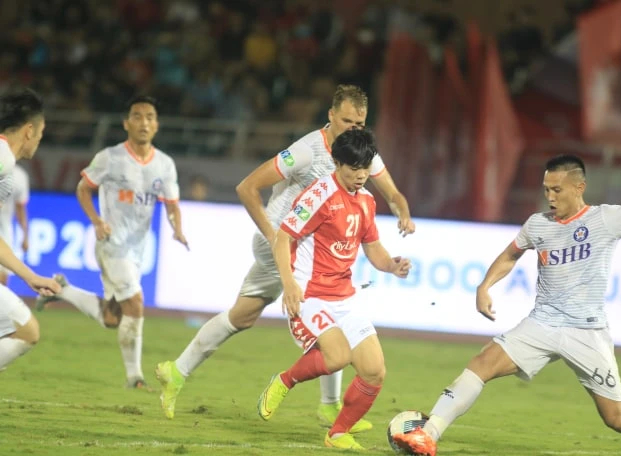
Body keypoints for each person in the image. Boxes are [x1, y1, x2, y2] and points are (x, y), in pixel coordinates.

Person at [155, 84, 415, 429]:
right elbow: (247, 187)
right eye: (347, 121)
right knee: (327, 307)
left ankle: (177, 371)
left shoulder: (356, 151)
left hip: (310, 243)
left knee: (243, 315)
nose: (353, 129)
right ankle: (324, 403)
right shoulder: (306, 151)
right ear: (331, 115)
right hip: (284, 242)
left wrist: (402, 212)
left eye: (359, 123)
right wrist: (272, 235)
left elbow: (392, 193)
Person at [393, 154, 621, 456]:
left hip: (587, 331)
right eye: (546, 189)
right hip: (542, 323)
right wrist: (484, 286)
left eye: (557, 190)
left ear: (579, 187)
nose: (550, 197)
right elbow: (510, 255)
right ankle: (428, 435)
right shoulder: (538, 224)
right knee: (482, 363)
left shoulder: (606, 219)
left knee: (615, 419)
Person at [257, 128, 411, 449]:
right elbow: (284, 238)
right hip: (309, 294)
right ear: (337, 163)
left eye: (365, 168)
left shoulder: (366, 201)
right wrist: (289, 284)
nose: (361, 175)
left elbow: (372, 247)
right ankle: (284, 381)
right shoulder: (319, 195)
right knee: (337, 356)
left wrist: (391, 265)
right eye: (353, 168)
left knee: (374, 371)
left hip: (344, 297)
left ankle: (337, 433)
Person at [36, 95, 189, 388]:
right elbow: (83, 188)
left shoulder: (165, 165)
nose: (143, 122)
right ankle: (135, 378)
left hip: (138, 249)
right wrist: (97, 221)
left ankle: (61, 289)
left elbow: (172, 204)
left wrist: (177, 229)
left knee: (112, 318)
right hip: (112, 244)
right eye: (137, 116)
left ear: (157, 125)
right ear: (126, 123)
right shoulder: (110, 157)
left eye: (149, 117)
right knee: (136, 302)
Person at [0, 87, 62, 370]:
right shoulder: (3, 160)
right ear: (28, 131)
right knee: (26, 331)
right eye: (40, 132)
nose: (39, 139)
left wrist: (30, 276)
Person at [0, 164, 30, 286]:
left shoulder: (20, 176)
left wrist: (25, 236)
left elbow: (20, 208)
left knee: (2, 280)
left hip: (4, 232)